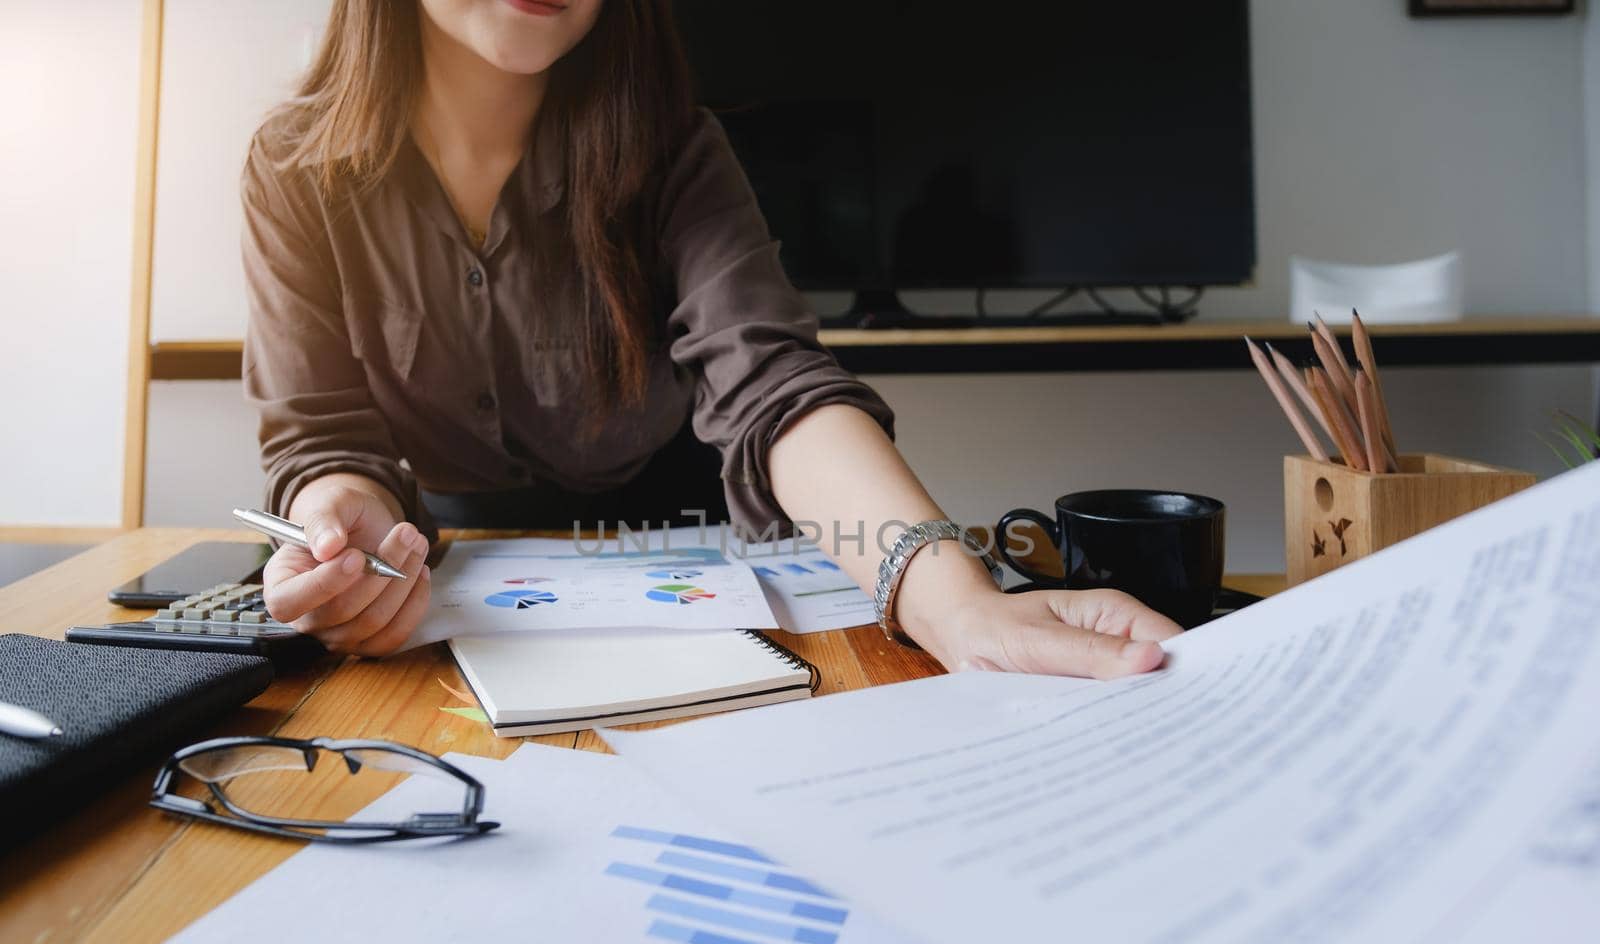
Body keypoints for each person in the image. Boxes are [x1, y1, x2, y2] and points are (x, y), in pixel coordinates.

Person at [244, 0, 1181, 673]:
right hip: (433, 575)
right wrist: (337, 520)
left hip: (688, 556)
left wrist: (960, 605)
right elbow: (322, 432)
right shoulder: (293, 172)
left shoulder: (673, 149)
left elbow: (775, 384)